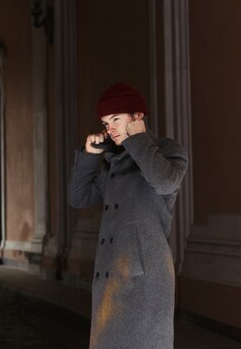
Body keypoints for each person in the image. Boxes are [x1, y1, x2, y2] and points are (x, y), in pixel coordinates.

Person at [68, 82, 188, 349]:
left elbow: (165, 183)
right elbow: (78, 198)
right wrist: (90, 156)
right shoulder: (115, 162)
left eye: (116, 119)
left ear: (137, 117)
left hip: (144, 284)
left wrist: (136, 139)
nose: (109, 128)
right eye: (104, 121)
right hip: (110, 280)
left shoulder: (168, 151)